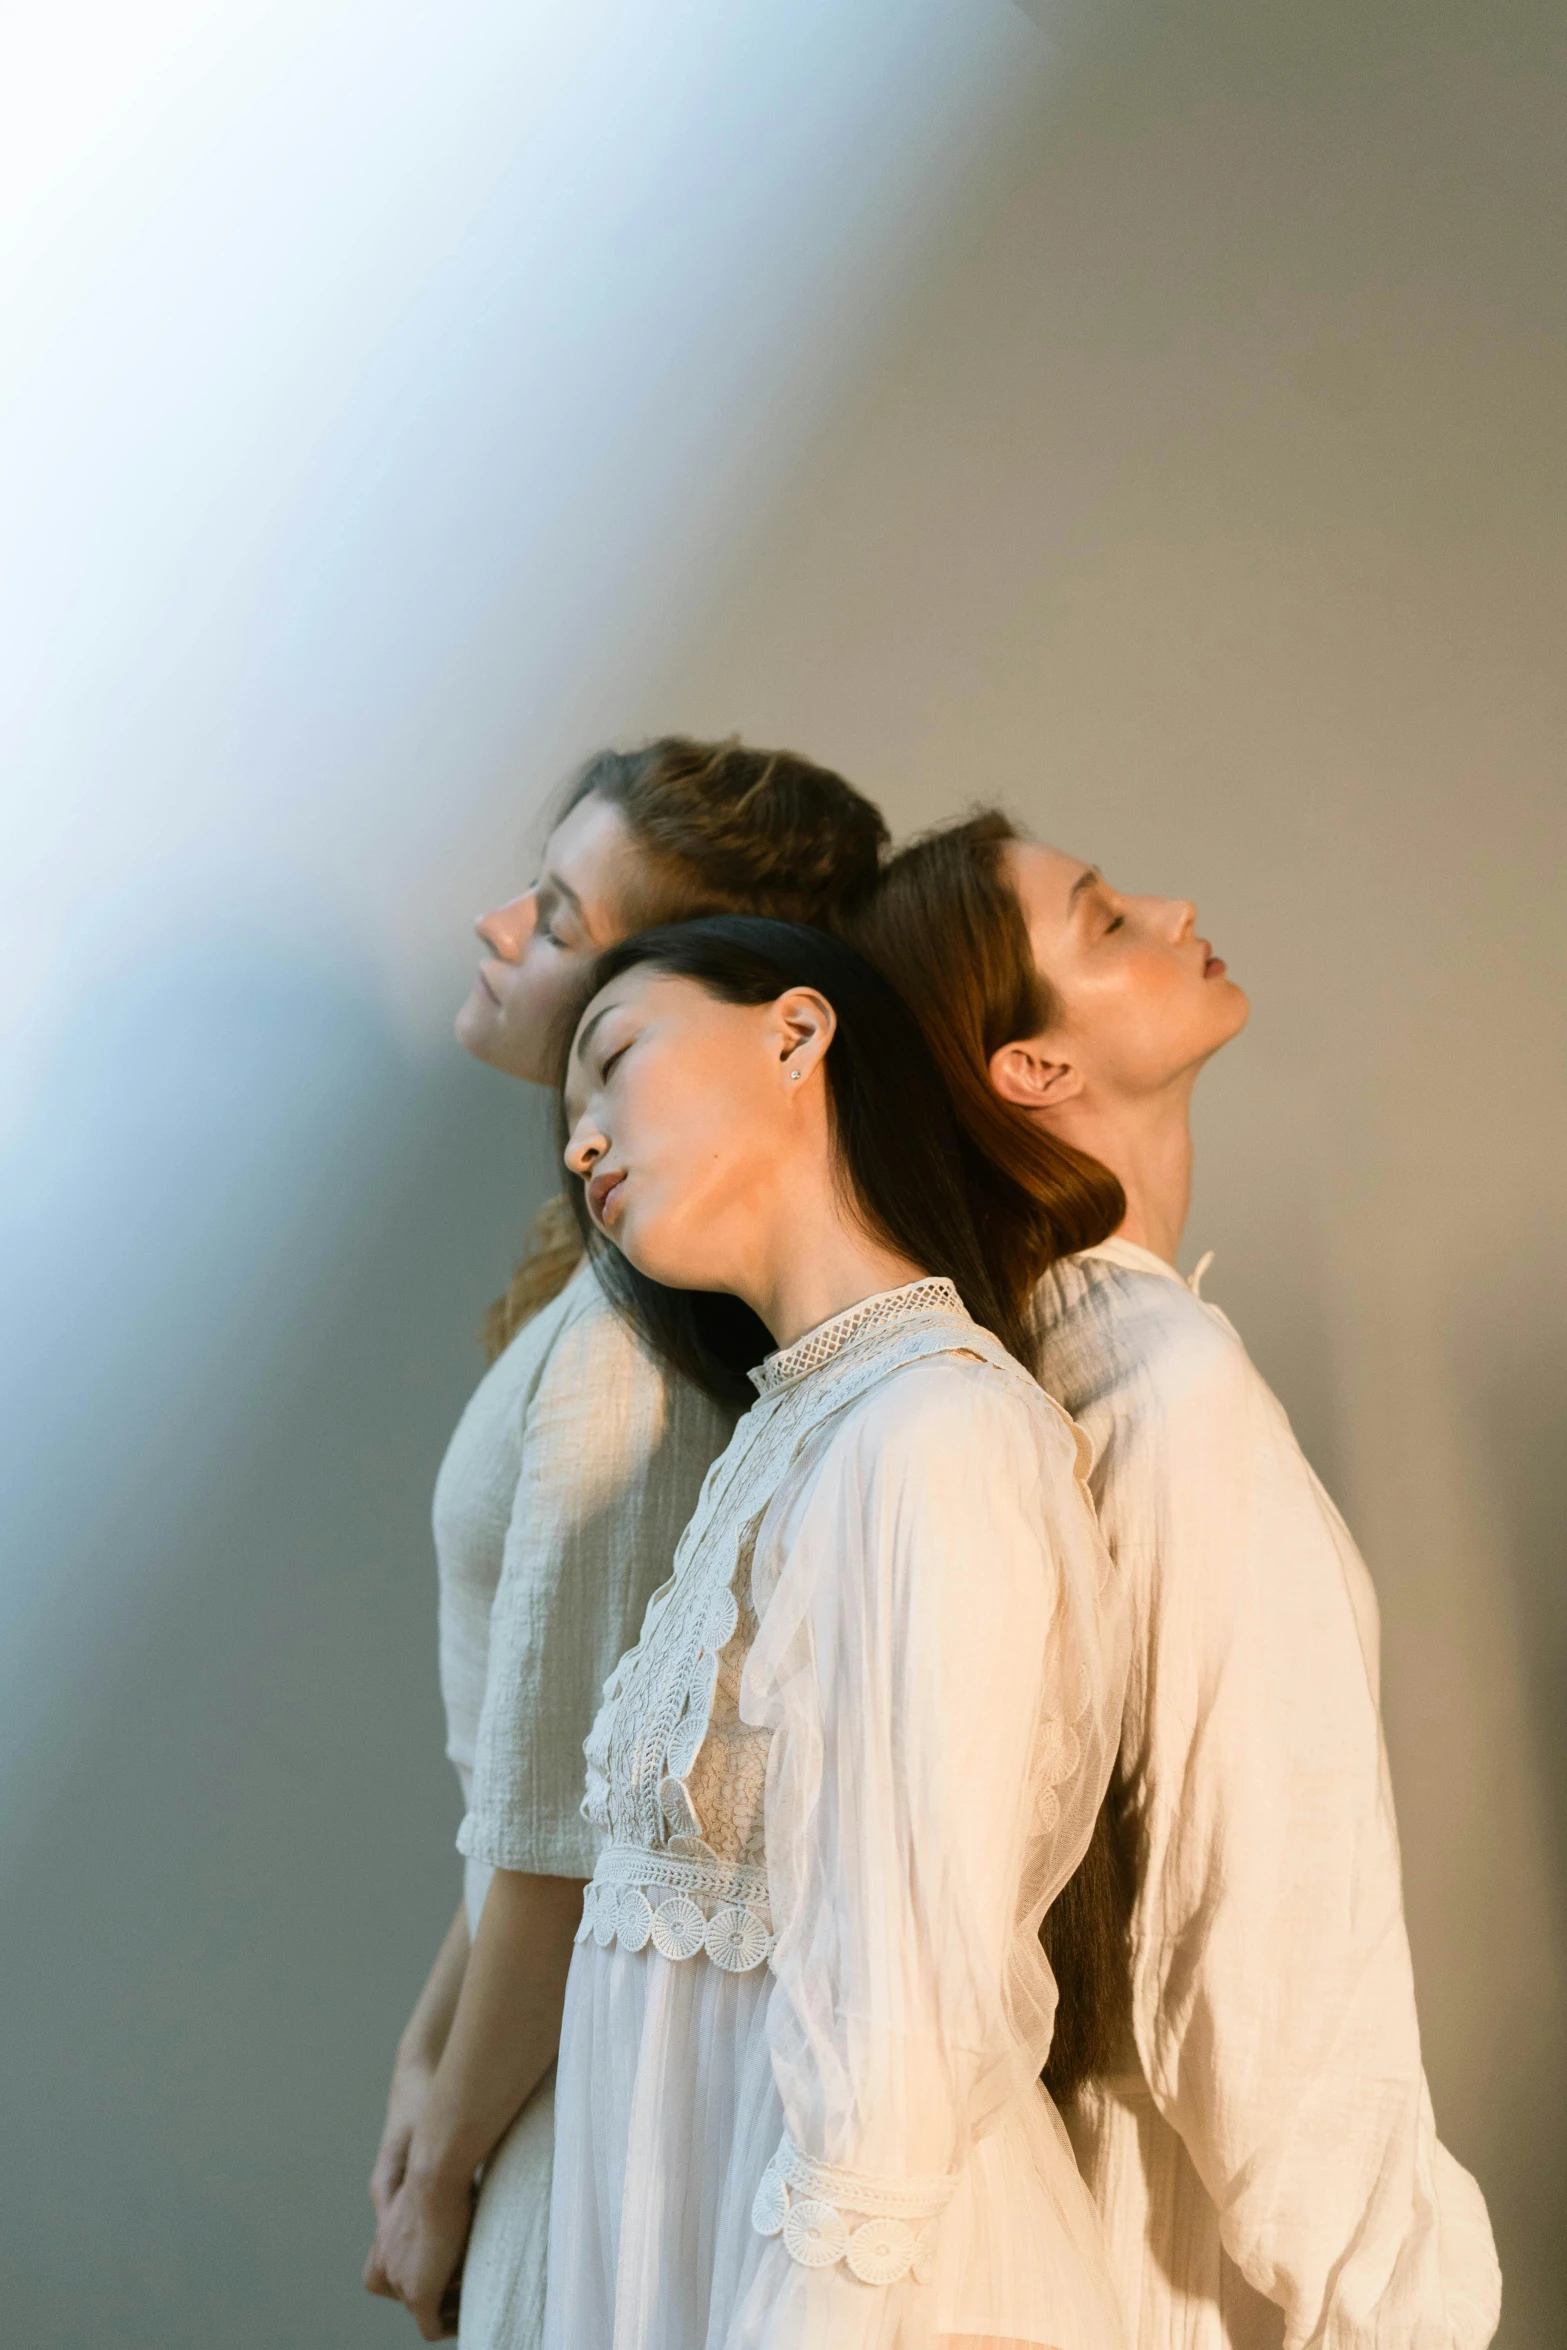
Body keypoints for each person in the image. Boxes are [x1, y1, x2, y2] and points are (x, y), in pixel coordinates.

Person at [854, 812, 1502, 2350]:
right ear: (1032, 1068)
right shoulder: (1167, 1397)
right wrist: (1416, 2315)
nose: (1173, 904)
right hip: (1188, 2286)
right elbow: (1260, 1977)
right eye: (1102, 920)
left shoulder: (1040, 1374)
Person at [364, 739, 891, 2346]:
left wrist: (443, 2155)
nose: (499, 923)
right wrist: (422, 2051)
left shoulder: (634, 1346)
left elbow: (577, 1819)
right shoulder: (607, 1303)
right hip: (528, 2052)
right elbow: (525, 1802)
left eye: (560, 914)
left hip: (576, 2095)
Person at [546, 915, 1130, 2350]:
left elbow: (902, 2007)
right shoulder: (797, 1430)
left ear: (796, 1033)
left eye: (612, 1059)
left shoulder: (930, 1431)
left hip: (865, 2298)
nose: (579, 1146)